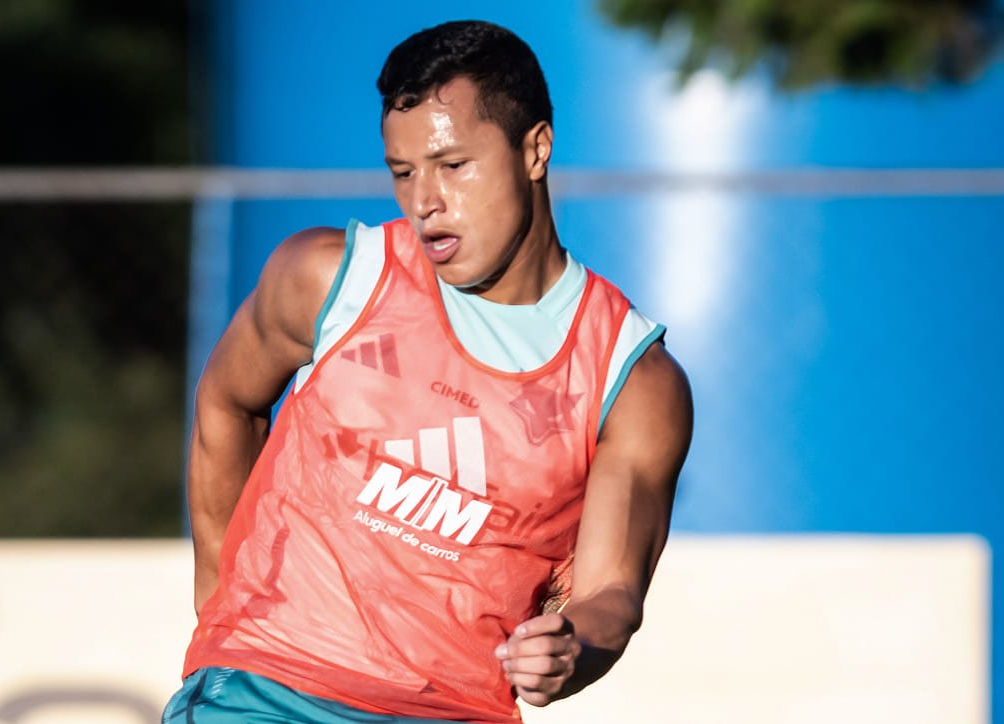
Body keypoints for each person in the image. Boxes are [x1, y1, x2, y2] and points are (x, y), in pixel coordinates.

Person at [164, 19, 693, 724]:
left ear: (535, 149)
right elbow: (226, 404)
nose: (424, 202)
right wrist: (221, 600)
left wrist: (573, 647)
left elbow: (611, 596)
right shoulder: (329, 279)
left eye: (453, 165)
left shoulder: (631, 380)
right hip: (264, 693)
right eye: (403, 172)